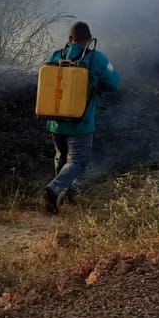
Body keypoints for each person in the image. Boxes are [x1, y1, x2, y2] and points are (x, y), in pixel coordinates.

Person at [42, 20, 120, 214]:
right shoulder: (97, 58)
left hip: (55, 121)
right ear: (89, 39)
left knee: (61, 158)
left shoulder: (56, 55)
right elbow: (113, 84)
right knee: (79, 160)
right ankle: (52, 190)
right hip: (81, 122)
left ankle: (64, 197)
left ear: (70, 39)